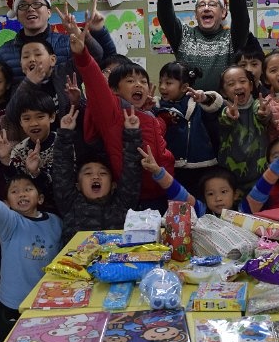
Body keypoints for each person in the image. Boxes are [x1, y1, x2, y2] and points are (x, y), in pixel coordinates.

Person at [67, 15, 173, 210]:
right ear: (114, 90)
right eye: (130, 81)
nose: (138, 84)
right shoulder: (113, 113)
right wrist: (82, 54)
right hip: (134, 199)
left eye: (143, 81)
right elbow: (95, 82)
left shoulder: (150, 115)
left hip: (164, 191)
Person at [0, 175, 62, 342]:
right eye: (14, 191)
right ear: (8, 203)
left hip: (44, 298)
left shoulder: (55, 221)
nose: (22, 194)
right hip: (14, 301)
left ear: (40, 198)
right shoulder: (10, 223)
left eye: (28, 189)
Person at [52, 106, 142, 245]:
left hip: (117, 258)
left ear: (113, 185)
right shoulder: (70, 203)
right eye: (88, 173)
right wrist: (65, 133)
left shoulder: (123, 204)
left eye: (103, 173)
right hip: (76, 258)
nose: (96, 177)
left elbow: (132, 171)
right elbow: (62, 167)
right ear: (78, 185)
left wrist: (132, 133)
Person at [0, 0, 116, 85]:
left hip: (69, 108)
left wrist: (98, 30)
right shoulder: (4, 53)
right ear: (17, 15)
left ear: (49, 12)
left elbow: (105, 62)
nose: (30, 9)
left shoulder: (69, 43)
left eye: (37, 3)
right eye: (23, 5)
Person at [157, 0, 249, 90]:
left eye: (212, 4)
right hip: (187, 102)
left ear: (223, 12)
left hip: (223, 102)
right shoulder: (184, 35)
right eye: (201, 5)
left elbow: (242, 20)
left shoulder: (232, 39)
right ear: (195, 14)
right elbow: (166, 17)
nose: (206, 8)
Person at [155, 61, 223, 192]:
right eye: (160, 82)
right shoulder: (158, 106)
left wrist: (204, 98)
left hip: (202, 164)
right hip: (173, 165)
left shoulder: (198, 103)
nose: (162, 87)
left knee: (201, 197)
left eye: (168, 83)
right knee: (177, 198)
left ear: (184, 87)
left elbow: (217, 105)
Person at [0, 88, 57, 210]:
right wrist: (5, 159)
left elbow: (63, 186)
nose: (34, 123)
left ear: (52, 117)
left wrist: (36, 173)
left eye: (40, 117)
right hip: (28, 212)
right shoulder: (18, 151)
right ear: (20, 122)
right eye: (27, 119)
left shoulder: (63, 144)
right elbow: (14, 185)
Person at [216, 65, 270, 198]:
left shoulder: (257, 105)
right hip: (231, 181)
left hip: (260, 176)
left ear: (250, 86)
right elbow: (225, 118)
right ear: (223, 92)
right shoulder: (225, 110)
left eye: (242, 81)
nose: (238, 86)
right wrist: (229, 114)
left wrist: (264, 113)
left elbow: (262, 113)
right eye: (231, 84)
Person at [141, 148, 239, 217]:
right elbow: (178, 193)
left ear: (235, 195)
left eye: (223, 192)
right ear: (204, 196)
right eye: (210, 194)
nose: (218, 198)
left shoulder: (243, 212)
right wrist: (158, 171)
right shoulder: (201, 211)